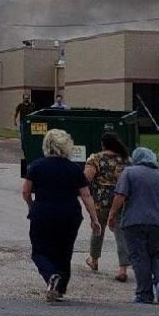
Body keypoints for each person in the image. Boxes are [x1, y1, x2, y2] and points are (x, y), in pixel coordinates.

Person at [22, 129, 102, 302]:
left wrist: (31, 206)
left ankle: (51, 276)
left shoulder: (36, 166)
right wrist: (94, 219)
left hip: (43, 212)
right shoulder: (74, 169)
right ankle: (59, 289)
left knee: (40, 251)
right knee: (64, 252)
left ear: (47, 145)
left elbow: (26, 191)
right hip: (69, 214)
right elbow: (86, 195)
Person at [109, 147, 159, 304]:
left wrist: (112, 214)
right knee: (157, 254)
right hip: (158, 222)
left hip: (134, 222)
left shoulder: (129, 173)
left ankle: (144, 293)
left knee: (139, 257)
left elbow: (120, 196)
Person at [84, 132, 131, 283]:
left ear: (103, 144)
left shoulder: (95, 159)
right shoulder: (126, 159)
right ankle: (123, 268)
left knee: (98, 229)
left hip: (100, 201)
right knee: (121, 234)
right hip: (121, 200)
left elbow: (86, 179)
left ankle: (94, 260)